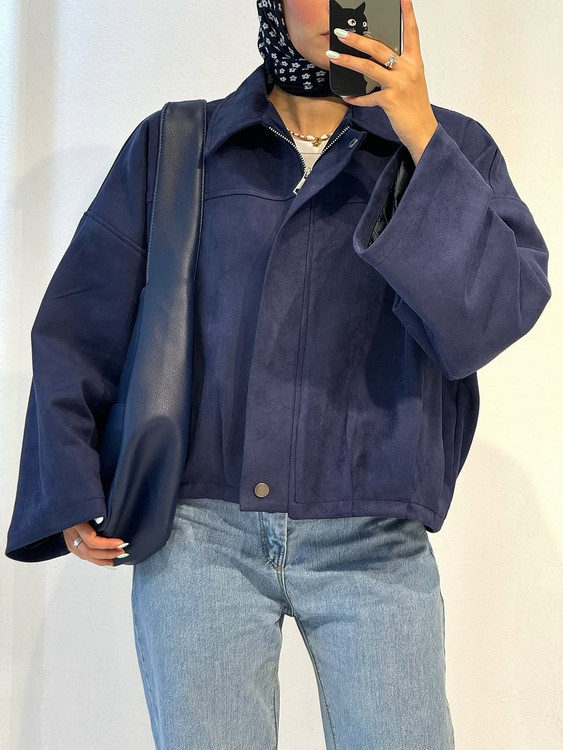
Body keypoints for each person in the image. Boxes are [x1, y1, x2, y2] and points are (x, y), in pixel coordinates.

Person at [5, 0, 551, 748]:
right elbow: (80, 322)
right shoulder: (178, 146)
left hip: (374, 540)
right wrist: (69, 479)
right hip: (198, 535)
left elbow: (492, 316)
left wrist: (419, 131)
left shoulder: (449, 148)